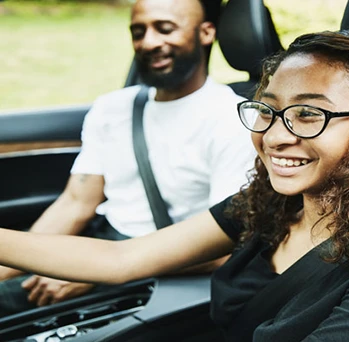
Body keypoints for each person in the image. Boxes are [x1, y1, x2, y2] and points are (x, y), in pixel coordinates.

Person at [0, 30, 349, 340]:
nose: (274, 135)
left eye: (309, 113)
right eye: (266, 109)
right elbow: (125, 258)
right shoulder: (272, 205)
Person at [0, 0, 254, 317]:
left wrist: (92, 274)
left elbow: (224, 248)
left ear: (206, 32)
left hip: (164, 264)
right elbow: (76, 203)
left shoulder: (233, 122)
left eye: (165, 29)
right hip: (102, 244)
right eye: (138, 31)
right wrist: (9, 267)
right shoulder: (112, 108)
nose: (148, 42)